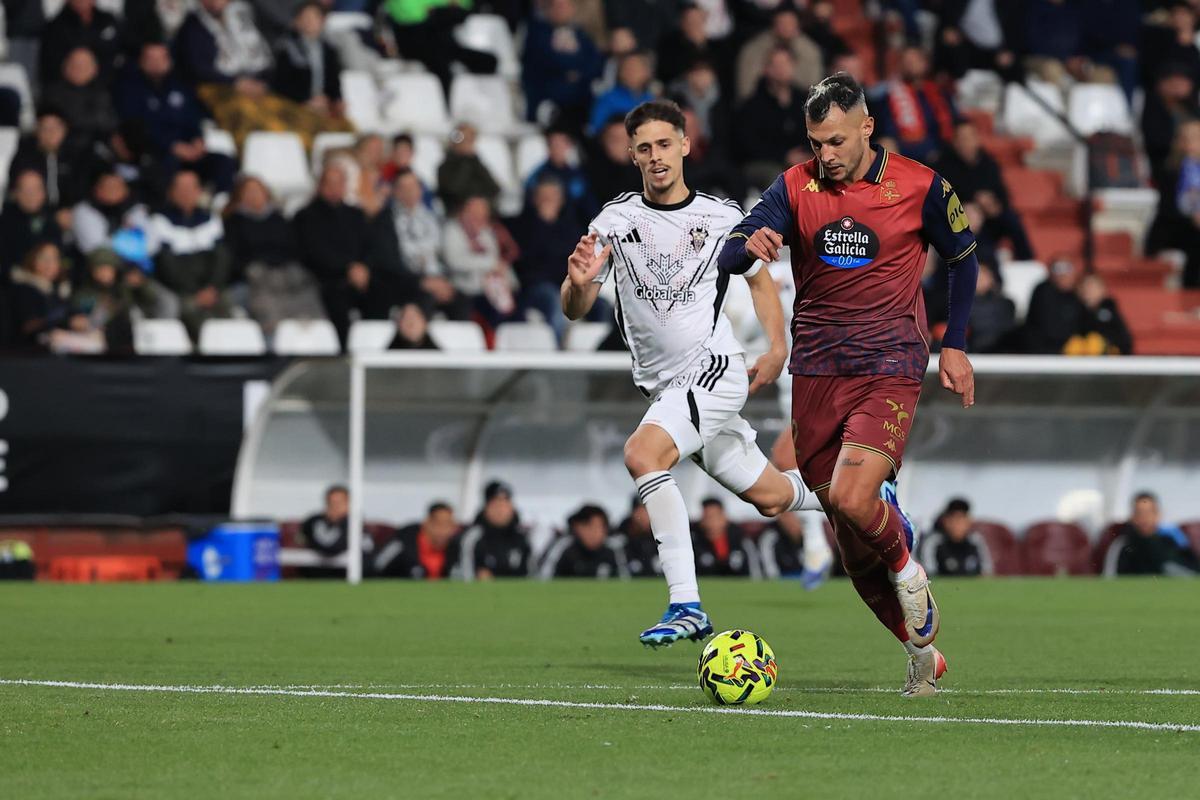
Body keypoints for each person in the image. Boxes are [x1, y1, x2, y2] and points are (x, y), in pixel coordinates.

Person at [718, 73, 981, 696]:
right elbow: (733, 250)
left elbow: (963, 258)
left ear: (867, 127)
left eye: (835, 140)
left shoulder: (921, 185)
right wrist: (743, 243)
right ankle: (920, 650)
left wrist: (957, 343)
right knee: (843, 522)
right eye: (816, 143)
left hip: (890, 362)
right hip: (815, 370)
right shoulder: (794, 184)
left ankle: (907, 564)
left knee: (856, 499)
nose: (825, 155)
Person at [562, 99, 839, 648]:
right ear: (632, 155)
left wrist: (779, 347)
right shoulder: (614, 220)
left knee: (642, 454)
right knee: (772, 496)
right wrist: (576, 284)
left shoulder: (722, 217)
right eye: (644, 148)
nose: (656, 156)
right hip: (668, 388)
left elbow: (761, 282)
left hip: (713, 371)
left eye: (665, 144)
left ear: (686, 145)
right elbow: (576, 306)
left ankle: (686, 603)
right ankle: (862, 498)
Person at [294, 163, 417, 341]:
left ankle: (375, 347)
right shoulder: (306, 216)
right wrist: (348, 268)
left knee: (383, 293)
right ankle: (344, 353)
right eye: (330, 183)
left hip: (361, 277)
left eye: (339, 183)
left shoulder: (356, 214)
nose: (335, 188)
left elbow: (371, 246)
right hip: (328, 280)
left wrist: (364, 267)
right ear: (321, 186)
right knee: (336, 303)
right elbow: (314, 252)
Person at [115, 42, 236, 195]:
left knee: (223, 162)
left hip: (188, 151)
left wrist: (197, 140)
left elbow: (193, 117)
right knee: (166, 164)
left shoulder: (180, 85)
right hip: (156, 152)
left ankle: (218, 202)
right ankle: (167, 207)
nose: (156, 64)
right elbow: (136, 127)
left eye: (161, 58)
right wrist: (172, 146)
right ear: (141, 61)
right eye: (151, 59)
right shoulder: (130, 88)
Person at [222, 175, 325, 334]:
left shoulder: (279, 220)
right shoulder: (233, 223)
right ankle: (274, 348)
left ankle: (315, 344)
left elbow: (294, 250)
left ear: (266, 194)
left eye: (258, 190)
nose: (254, 195)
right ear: (239, 196)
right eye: (248, 191)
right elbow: (232, 257)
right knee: (267, 304)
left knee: (309, 295)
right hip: (255, 279)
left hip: (286, 275)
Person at [150, 169, 234, 339]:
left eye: (191, 189)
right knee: (191, 312)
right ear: (171, 192)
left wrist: (212, 287)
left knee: (228, 310)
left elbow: (221, 258)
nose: (186, 194)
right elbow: (166, 265)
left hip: (211, 289)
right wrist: (194, 292)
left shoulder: (210, 219)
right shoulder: (160, 221)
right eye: (181, 189)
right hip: (181, 290)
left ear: (199, 191)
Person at [933, 120, 1032, 260]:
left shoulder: (989, 163)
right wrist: (974, 200)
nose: (967, 142)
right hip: (961, 215)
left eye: (970, 137)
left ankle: (1027, 261)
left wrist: (995, 205)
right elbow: (941, 196)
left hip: (990, 214)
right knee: (972, 221)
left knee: (1012, 219)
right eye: (962, 138)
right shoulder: (942, 164)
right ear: (954, 142)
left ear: (977, 139)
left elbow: (1002, 192)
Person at [513, 177, 583, 343]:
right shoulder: (522, 226)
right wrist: (543, 224)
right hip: (535, 288)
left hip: (567, 283)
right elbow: (526, 263)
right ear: (535, 199)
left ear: (561, 200)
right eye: (544, 196)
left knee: (603, 305)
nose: (548, 201)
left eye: (553, 196)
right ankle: (559, 355)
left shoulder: (571, 228)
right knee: (555, 301)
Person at [734, 47, 809, 190]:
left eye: (786, 64)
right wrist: (784, 156)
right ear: (766, 69)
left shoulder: (804, 100)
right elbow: (747, 145)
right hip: (764, 162)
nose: (782, 69)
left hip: (802, 159)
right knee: (778, 177)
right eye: (776, 65)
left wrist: (807, 154)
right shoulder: (752, 105)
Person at [521, 0, 603, 127]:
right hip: (547, 98)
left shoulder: (581, 35)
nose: (561, 10)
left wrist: (573, 71)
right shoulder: (537, 33)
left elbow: (595, 64)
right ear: (548, 10)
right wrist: (575, 68)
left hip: (580, 99)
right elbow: (545, 61)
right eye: (557, 6)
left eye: (565, 6)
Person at [443, 196, 519, 329]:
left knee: (515, 312)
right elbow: (455, 261)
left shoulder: (488, 232)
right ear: (465, 211)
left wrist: (509, 281)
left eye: (482, 212)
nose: (478, 216)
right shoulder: (453, 229)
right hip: (466, 289)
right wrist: (489, 264)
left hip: (493, 289)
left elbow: (499, 262)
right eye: (474, 211)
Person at [878, 46, 959, 163]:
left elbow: (954, 122)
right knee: (886, 145)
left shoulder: (940, 93)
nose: (910, 65)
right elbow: (888, 131)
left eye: (914, 60)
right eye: (906, 61)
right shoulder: (891, 95)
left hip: (941, 150)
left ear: (925, 63)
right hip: (906, 151)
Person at [271, 2, 344, 118]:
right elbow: (280, 86)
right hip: (294, 107)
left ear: (322, 21)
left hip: (324, 108)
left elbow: (334, 84)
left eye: (314, 17)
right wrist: (305, 101)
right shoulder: (286, 49)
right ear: (296, 21)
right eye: (305, 17)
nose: (309, 22)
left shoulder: (329, 50)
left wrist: (334, 100)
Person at [40, 46, 117, 156]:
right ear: (64, 66)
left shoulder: (102, 93)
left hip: (94, 150)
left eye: (84, 66)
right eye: (75, 65)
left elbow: (108, 123)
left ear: (94, 69)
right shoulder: (52, 93)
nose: (79, 69)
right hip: (61, 150)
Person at [735, 8, 823, 101]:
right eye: (782, 23)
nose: (786, 28)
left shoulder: (810, 50)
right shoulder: (753, 50)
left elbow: (815, 90)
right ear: (773, 25)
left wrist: (788, 80)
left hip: (800, 105)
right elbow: (745, 91)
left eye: (790, 23)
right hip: (760, 105)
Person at [453, 481, 532, 580]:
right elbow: (464, 574)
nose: (501, 510)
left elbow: (531, 575)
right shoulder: (472, 537)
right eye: (495, 505)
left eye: (505, 504)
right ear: (486, 507)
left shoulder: (522, 538)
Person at [8, 108, 82, 210]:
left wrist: (67, 209)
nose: (51, 133)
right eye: (45, 128)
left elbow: (80, 188)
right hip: (33, 211)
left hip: (68, 211)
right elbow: (16, 192)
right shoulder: (24, 156)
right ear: (37, 131)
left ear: (65, 130)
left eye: (56, 128)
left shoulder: (74, 156)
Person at [0, 170, 64, 283]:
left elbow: (59, 255)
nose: (31, 195)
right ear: (16, 193)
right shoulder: (5, 220)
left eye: (36, 189)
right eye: (26, 190)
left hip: (48, 281)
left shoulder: (51, 220)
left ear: (44, 193)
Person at [1115, 491, 1199, 577]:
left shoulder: (1172, 542)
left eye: (1148, 512)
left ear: (1157, 514)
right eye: (1139, 513)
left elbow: (1193, 571)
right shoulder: (1123, 546)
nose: (1144, 518)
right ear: (1132, 516)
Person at [524, 127, 597, 224]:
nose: (558, 148)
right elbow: (530, 208)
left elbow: (589, 206)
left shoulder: (578, 175)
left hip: (576, 228)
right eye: (553, 144)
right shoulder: (536, 176)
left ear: (569, 146)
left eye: (561, 144)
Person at [373, 502, 461, 579]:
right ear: (427, 523)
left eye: (449, 525)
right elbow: (376, 567)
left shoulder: (457, 547)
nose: (444, 531)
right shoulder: (402, 542)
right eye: (439, 524)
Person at [300, 485, 376, 569]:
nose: (335, 507)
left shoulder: (354, 522)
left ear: (349, 504)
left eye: (340, 503)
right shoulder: (315, 521)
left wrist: (346, 521)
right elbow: (329, 548)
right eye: (331, 503)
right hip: (325, 574)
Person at [540, 504, 625, 578]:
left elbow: (625, 582)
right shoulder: (563, 547)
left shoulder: (613, 549)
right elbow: (543, 578)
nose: (595, 533)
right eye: (590, 527)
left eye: (600, 527)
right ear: (577, 527)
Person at [1024, 256, 1085, 354]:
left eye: (1067, 269)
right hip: (1045, 354)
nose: (1063, 275)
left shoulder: (1080, 295)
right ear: (1050, 273)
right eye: (1058, 269)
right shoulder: (1043, 292)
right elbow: (1046, 329)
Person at [437, 123, 500, 214]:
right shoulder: (445, 167)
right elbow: (454, 191)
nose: (467, 144)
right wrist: (466, 160)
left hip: (481, 215)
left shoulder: (476, 163)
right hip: (457, 217)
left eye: (470, 140)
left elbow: (494, 189)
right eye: (464, 139)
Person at [588, 51, 655, 135]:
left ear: (647, 73)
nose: (631, 73)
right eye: (627, 68)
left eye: (636, 68)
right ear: (620, 72)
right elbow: (594, 130)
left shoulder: (650, 98)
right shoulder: (607, 99)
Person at [758, 511, 831, 588]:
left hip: (804, 577)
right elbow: (769, 570)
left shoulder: (812, 539)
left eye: (793, 518)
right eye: (786, 518)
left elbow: (823, 563)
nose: (790, 522)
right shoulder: (771, 536)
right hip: (781, 581)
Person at [921, 498, 991, 577]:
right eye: (954, 519)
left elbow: (986, 573)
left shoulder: (976, 542)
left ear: (969, 521)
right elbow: (929, 574)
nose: (958, 524)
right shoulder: (934, 542)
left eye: (962, 518)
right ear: (946, 521)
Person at [692, 498, 761, 578]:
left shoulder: (741, 538)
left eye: (715, 517)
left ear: (724, 517)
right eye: (707, 518)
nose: (711, 523)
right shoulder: (694, 541)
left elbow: (755, 571)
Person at [1068, 275, 1132, 356]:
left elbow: (1124, 340)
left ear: (1103, 290)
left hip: (1108, 359)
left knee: (1094, 342)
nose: (1089, 291)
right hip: (1079, 358)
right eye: (1085, 287)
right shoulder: (1072, 310)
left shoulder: (1110, 310)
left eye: (1093, 287)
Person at [612, 496, 660, 577]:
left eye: (646, 510)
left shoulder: (661, 534)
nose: (643, 515)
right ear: (632, 513)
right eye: (639, 511)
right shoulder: (622, 536)